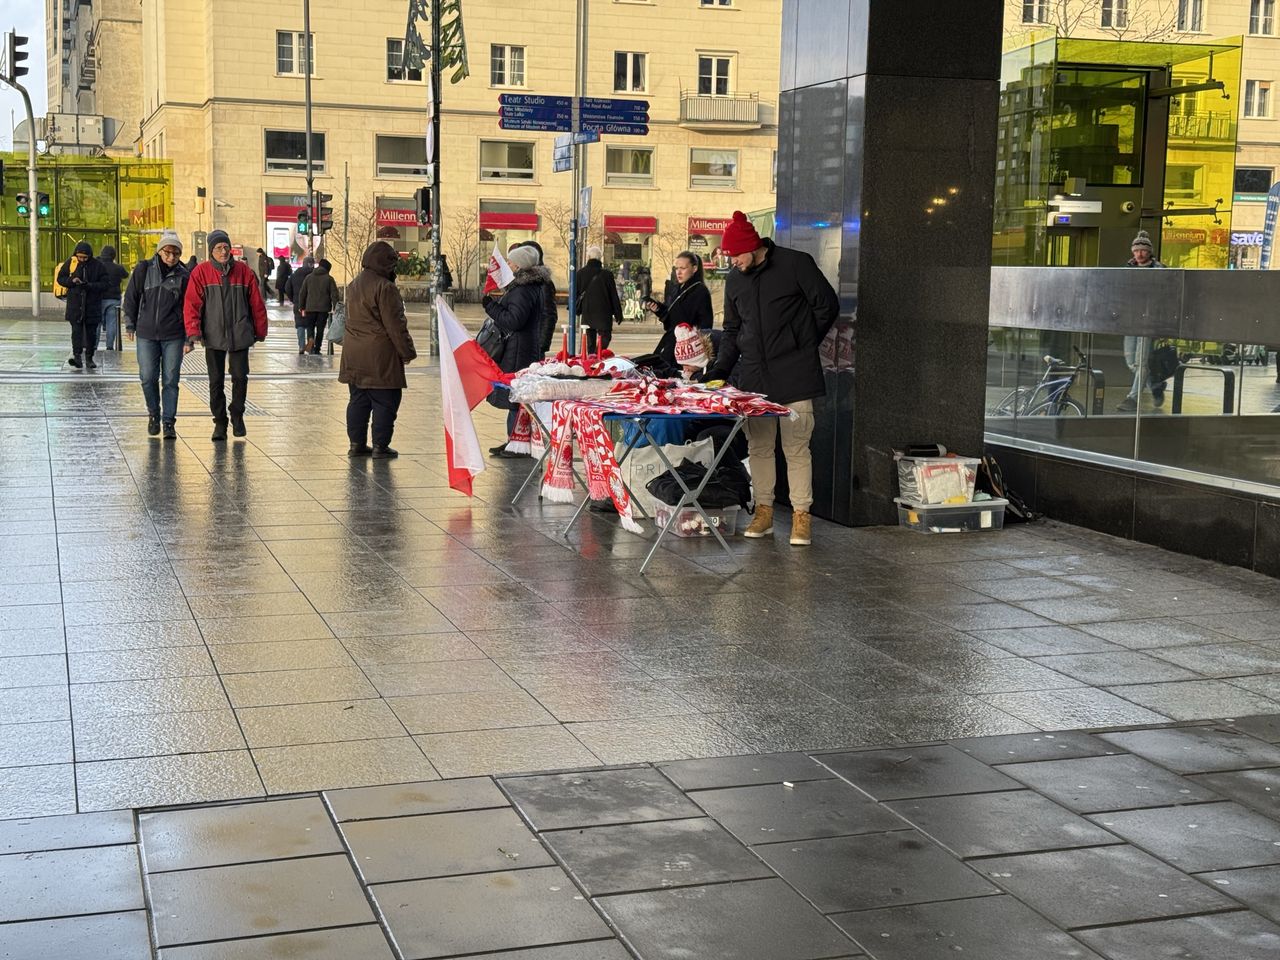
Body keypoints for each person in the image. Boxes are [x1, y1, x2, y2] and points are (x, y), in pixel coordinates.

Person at [703, 211, 839, 547]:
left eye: (736, 255)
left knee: (796, 447)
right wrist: (720, 369)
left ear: (753, 247)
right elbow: (733, 330)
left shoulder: (796, 264)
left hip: (795, 372)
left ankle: (801, 516)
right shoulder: (735, 280)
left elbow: (827, 305)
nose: (733, 262)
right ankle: (763, 511)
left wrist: (803, 343)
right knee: (759, 446)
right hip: (754, 376)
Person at [183, 229, 268, 441]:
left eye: (226, 247)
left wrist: (260, 330)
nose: (223, 251)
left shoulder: (244, 272)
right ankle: (220, 421)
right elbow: (192, 304)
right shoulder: (201, 273)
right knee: (215, 381)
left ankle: (237, 416)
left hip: (239, 334)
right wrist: (194, 331)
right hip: (213, 336)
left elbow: (257, 304)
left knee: (240, 378)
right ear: (211, 250)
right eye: (219, 248)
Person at [340, 241, 417, 459]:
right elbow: (395, 325)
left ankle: (356, 444)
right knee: (385, 400)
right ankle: (380, 447)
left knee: (358, 400)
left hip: (354, 354)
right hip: (380, 356)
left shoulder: (354, 284)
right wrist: (407, 352)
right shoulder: (385, 287)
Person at [123, 230, 190, 439]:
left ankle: (169, 422)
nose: (171, 257)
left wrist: (190, 337)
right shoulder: (144, 269)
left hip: (174, 334)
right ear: (160, 251)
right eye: (168, 252)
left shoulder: (184, 275)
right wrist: (130, 324)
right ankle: (154, 414)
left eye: (176, 254)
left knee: (171, 379)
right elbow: (131, 297)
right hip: (146, 333)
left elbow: (190, 308)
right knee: (148, 377)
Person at [483, 245, 547, 458]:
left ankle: (517, 443)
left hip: (519, 351)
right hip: (522, 349)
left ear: (518, 265)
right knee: (518, 399)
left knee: (516, 398)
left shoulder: (522, 290)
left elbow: (513, 321)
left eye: (510, 262)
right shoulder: (528, 287)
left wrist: (491, 306)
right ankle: (514, 441)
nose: (507, 265)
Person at [1118, 230, 1168, 413]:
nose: (1139, 254)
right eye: (1136, 250)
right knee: (1132, 362)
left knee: (1141, 362)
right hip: (1131, 322)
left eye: (1143, 250)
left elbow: (1165, 296)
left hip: (1149, 323)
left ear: (1149, 252)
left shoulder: (1159, 270)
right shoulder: (1127, 270)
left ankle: (1132, 399)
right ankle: (1155, 385)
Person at [646, 250, 714, 375]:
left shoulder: (700, 291)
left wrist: (699, 352)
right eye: (676, 268)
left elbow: (706, 325)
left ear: (694, 268)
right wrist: (659, 309)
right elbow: (672, 318)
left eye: (683, 268)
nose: (679, 272)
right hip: (671, 341)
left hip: (687, 347)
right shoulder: (678, 288)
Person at [57, 241, 109, 370]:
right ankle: (77, 357)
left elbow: (105, 284)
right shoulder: (72, 263)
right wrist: (71, 281)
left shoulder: (98, 266)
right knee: (76, 333)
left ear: (90, 256)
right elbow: (60, 278)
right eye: (80, 257)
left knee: (91, 333)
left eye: (85, 258)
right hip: (75, 305)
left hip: (92, 305)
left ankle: (89, 358)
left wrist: (89, 285)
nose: (82, 260)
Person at [576, 245, 624, 356]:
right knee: (606, 336)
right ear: (600, 258)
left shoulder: (580, 273)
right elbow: (613, 295)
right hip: (604, 312)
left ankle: (592, 357)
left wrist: (576, 309)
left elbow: (576, 294)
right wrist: (618, 313)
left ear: (588, 257)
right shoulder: (607, 275)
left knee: (590, 339)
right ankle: (598, 354)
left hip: (588, 311)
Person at [513, 240, 558, 355]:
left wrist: (541, 346)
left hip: (533, 346)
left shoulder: (543, 283)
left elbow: (549, 315)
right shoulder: (522, 281)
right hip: (521, 343)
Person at [298, 258, 339, 354]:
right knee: (320, 329)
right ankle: (317, 349)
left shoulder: (309, 277)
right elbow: (334, 295)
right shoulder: (329, 279)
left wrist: (301, 307)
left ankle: (311, 342)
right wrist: (335, 307)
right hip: (323, 309)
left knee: (310, 327)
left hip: (310, 308)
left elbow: (302, 293)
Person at [97, 245, 129, 351]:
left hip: (99, 298)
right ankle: (109, 346)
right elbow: (126, 274)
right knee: (112, 323)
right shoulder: (117, 268)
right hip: (113, 299)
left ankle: (94, 345)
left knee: (96, 323)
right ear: (113, 256)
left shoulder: (98, 266)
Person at [286, 256, 315, 353]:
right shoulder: (314, 275)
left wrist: (293, 299)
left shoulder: (295, 275)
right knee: (310, 324)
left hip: (298, 304)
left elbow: (287, 288)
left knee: (300, 325)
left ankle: (301, 346)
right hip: (311, 304)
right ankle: (311, 344)